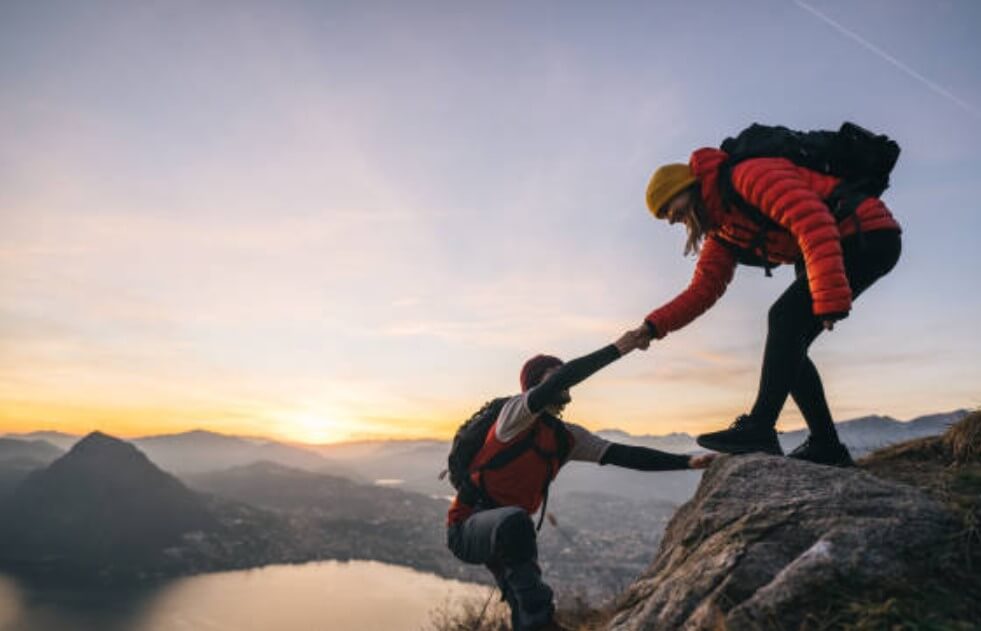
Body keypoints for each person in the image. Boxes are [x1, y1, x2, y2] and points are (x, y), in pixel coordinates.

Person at [633, 142, 902, 467]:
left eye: (668, 207)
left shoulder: (747, 176)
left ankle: (760, 427)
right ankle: (826, 445)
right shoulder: (722, 230)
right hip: (837, 243)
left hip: (865, 232)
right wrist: (652, 326)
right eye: (663, 216)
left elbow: (812, 219)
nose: (670, 219)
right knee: (789, 345)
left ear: (685, 188)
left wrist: (829, 298)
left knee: (784, 320)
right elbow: (703, 290)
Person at [446, 330, 714, 631]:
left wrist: (686, 462)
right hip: (468, 527)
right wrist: (619, 348)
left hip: (508, 531)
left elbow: (623, 454)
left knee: (525, 604)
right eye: (555, 373)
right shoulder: (513, 417)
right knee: (526, 572)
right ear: (536, 384)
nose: (565, 378)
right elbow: (564, 378)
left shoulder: (567, 438)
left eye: (564, 372)